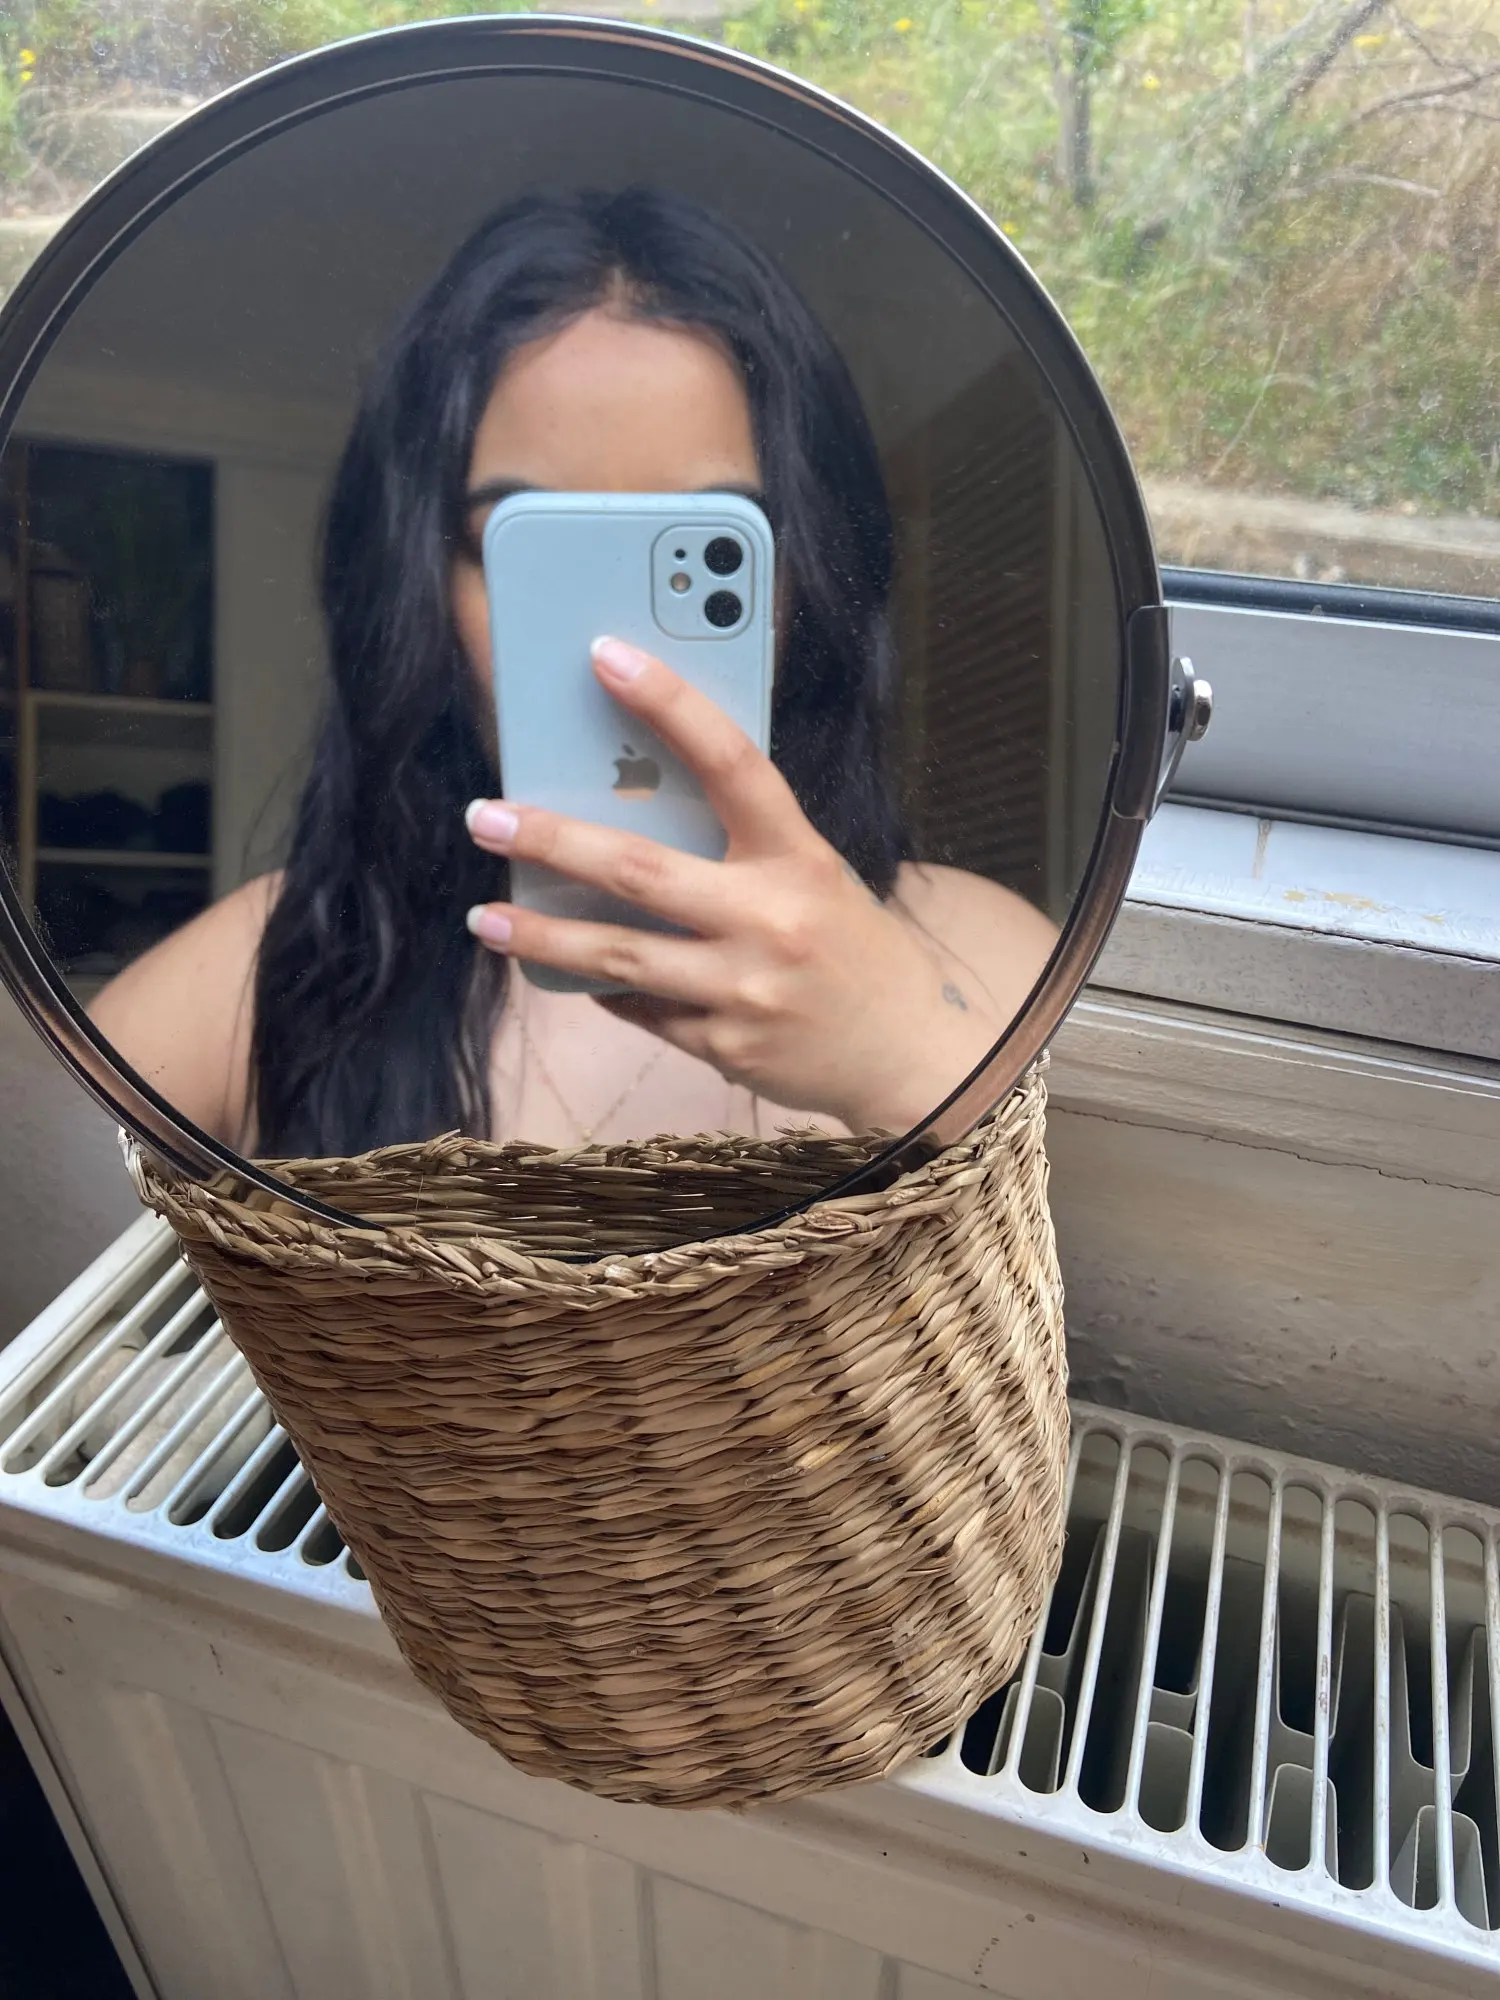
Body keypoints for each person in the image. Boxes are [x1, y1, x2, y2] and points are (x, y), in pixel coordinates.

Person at [90, 187, 1057, 1158]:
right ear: (420, 586)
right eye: (528, 554)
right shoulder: (276, 969)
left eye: (699, 555)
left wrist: (907, 1057)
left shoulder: (983, 959)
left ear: (804, 582)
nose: (615, 655)